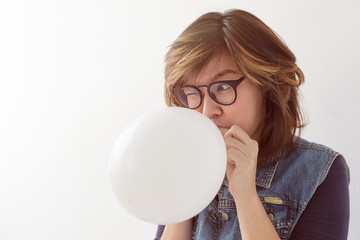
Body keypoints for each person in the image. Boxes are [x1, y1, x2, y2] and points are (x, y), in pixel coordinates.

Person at [154, 9, 350, 240]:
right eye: (191, 92)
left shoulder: (319, 172)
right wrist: (186, 195)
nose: (207, 112)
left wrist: (246, 196)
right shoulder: (179, 164)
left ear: (267, 84)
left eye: (223, 87)